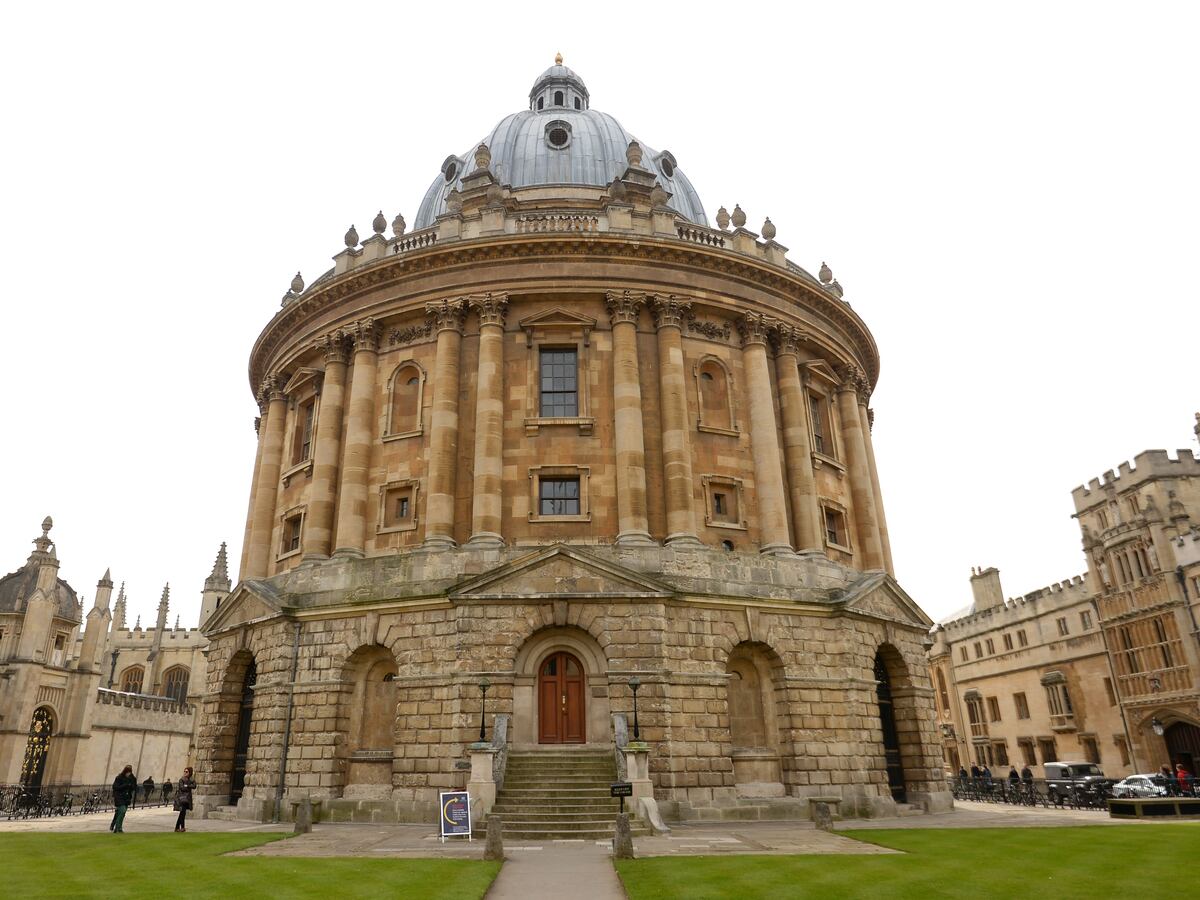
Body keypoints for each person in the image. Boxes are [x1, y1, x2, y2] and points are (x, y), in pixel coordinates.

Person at [110, 765, 137, 833]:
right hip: (119, 797)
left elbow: (134, 786)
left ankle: (117, 827)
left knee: (121, 813)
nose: (128, 774)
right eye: (127, 772)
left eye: (130, 772)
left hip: (126, 798)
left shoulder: (131, 778)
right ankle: (117, 827)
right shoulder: (119, 778)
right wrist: (125, 785)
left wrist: (132, 786)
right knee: (122, 810)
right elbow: (115, 787)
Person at [173, 767, 196, 832]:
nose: (185, 773)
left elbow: (194, 786)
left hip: (187, 799)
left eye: (187, 772)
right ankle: (181, 827)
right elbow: (182, 788)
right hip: (182, 798)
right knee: (182, 813)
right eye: (184, 771)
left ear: (190, 772)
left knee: (183, 813)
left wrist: (187, 786)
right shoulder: (181, 779)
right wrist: (188, 786)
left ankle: (178, 827)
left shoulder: (191, 779)